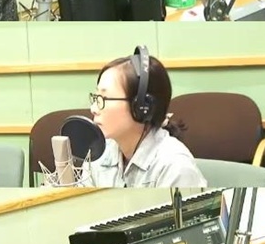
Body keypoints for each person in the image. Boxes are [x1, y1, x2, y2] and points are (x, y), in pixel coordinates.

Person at [87, 46, 207, 187]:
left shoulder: (176, 168)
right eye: (96, 97)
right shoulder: (98, 154)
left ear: (142, 107)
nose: (93, 109)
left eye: (104, 98)